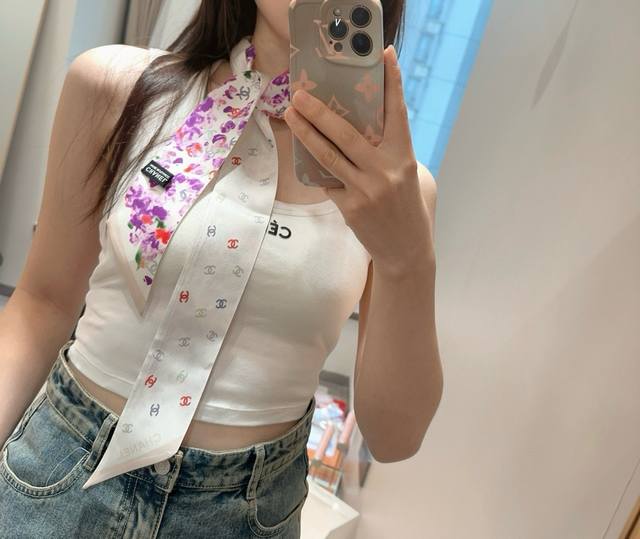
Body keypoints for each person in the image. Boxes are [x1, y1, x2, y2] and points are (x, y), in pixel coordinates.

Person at [0, 0, 442, 536]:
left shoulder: (398, 191)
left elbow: (394, 438)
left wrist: (407, 262)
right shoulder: (115, 86)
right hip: (56, 473)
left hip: (245, 515)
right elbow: (42, 305)